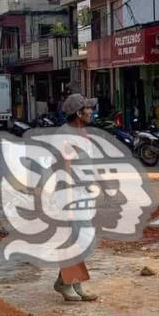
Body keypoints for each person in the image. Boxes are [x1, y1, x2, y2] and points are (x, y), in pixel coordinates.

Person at [53, 93, 100, 304]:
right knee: (77, 240)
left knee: (82, 239)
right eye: (88, 109)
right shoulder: (66, 135)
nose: (92, 111)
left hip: (84, 192)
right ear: (78, 113)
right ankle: (66, 283)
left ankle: (72, 282)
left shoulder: (81, 132)